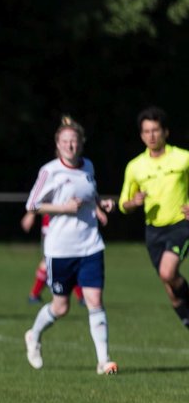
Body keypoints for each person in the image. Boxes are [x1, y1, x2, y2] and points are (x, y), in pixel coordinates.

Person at [23, 116, 117, 374]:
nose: (70, 146)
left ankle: (103, 361)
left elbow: (91, 193)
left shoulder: (88, 166)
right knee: (61, 307)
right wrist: (62, 208)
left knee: (94, 299)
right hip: (60, 249)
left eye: (74, 141)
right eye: (65, 142)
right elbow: (31, 204)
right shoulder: (49, 171)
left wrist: (100, 205)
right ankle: (34, 335)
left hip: (90, 244)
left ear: (81, 143)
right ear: (58, 144)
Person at [116, 106, 189, 331]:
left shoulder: (183, 158)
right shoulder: (135, 166)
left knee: (168, 272)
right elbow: (123, 204)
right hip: (154, 232)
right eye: (146, 131)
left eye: (155, 130)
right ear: (141, 135)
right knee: (172, 292)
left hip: (181, 224)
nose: (151, 136)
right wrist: (133, 203)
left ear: (165, 132)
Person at [21, 212, 87, 304]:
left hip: (63, 221)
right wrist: (31, 213)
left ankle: (34, 295)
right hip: (54, 222)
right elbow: (38, 198)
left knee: (67, 261)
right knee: (52, 261)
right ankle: (81, 297)